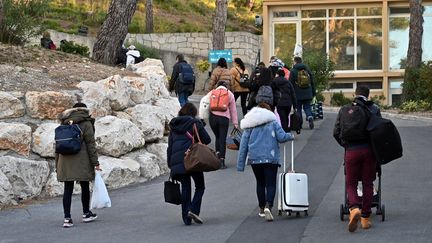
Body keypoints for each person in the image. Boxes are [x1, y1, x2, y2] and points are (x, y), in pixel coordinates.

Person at [333, 86, 381, 232]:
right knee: (367, 183)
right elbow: (379, 130)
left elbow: (336, 132)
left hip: (351, 150)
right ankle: (365, 218)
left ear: (355, 94)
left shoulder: (344, 109)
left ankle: (354, 208)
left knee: (351, 182)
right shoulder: (373, 109)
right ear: (368, 95)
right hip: (368, 151)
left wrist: (346, 145)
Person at [237, 102, 294, 222]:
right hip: (271, 157)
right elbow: (282, 137)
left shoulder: (249, 124)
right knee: (271, 183)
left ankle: (262, 208)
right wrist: (290, 136)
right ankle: (269, 205)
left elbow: (243, 145)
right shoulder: (272, 122)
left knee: (260, 183)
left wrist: (240, 164)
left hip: (255, 158)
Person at [56, 102, 100, 228]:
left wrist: (57, 164)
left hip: (64, 160)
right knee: (84, 186)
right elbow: (91, 145)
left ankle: (67, 218)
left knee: (67, 189)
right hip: (82, 160)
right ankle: (86, 213)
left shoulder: (64, 122)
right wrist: (95, 162)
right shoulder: (86, 123)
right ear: (85, 110)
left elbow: (58, 145)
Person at [167, 103, 211, 225]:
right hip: (193, 159)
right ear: (193, 113)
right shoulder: (195, 123)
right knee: (200, 186)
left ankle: (186, 218)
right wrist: (201, 126)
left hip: (179, 162)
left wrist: (170, 164)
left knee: (185, 188)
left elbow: (170, 147)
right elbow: (207, 140)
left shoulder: (174, 126)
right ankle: (193, 210)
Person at [208, 81, 238, 169]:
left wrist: (203, 117)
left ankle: (217, 158)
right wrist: (235, 122)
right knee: (222, 139)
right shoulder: (229, 94)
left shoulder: (212, 92)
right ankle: (222, 161)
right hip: (223, 118)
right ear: (226, 87)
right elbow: (233, 110)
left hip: (212, 118)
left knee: (217, 137)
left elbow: (205, 104)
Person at [288, 56, 316, 130]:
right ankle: (310, 117)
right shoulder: (307, 69)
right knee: (307, 106)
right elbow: (312, 81)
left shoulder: (293, 70)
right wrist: (313, 92)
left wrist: (290, 94)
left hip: (297, 93)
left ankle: (299, 123)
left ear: (295, 61)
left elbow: (290, 83)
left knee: (298, 108)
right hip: (308, 92)